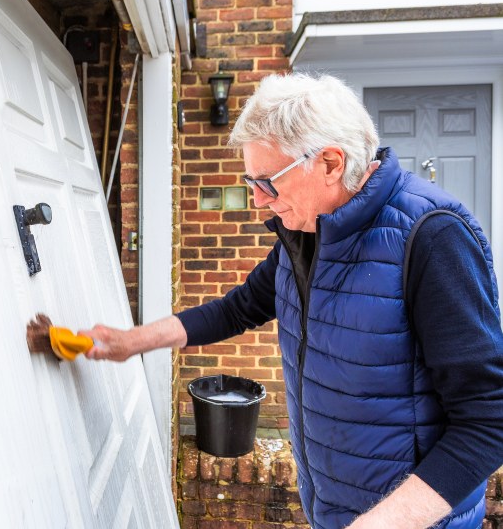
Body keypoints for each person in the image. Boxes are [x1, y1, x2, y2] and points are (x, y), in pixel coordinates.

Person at [78, 73, 503, 529]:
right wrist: (130, 341)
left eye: (268, 181)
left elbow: (487, 421)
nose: (259, 200)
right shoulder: (304, 233)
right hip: (331, 510)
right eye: (251, 181)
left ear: (330, 164)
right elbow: (238, 308)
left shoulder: (433, 236)